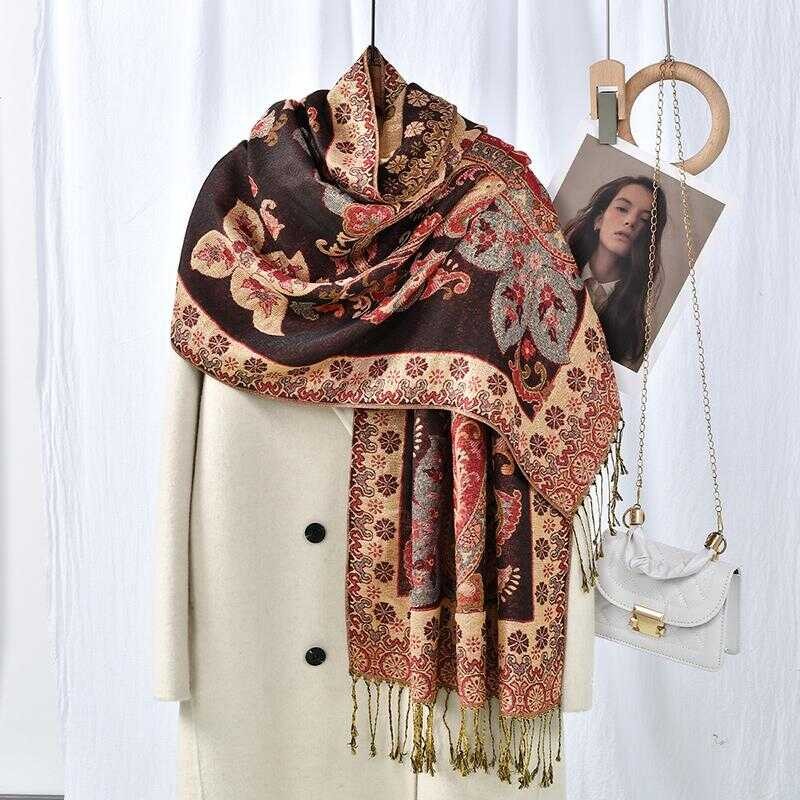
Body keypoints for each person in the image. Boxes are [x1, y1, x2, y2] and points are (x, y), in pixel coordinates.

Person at [563, 176, 667, 370]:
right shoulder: (555, 267)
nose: (630, 221)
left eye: (644, 220)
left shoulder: (632, 329)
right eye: (622, 209)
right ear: (599, 220)